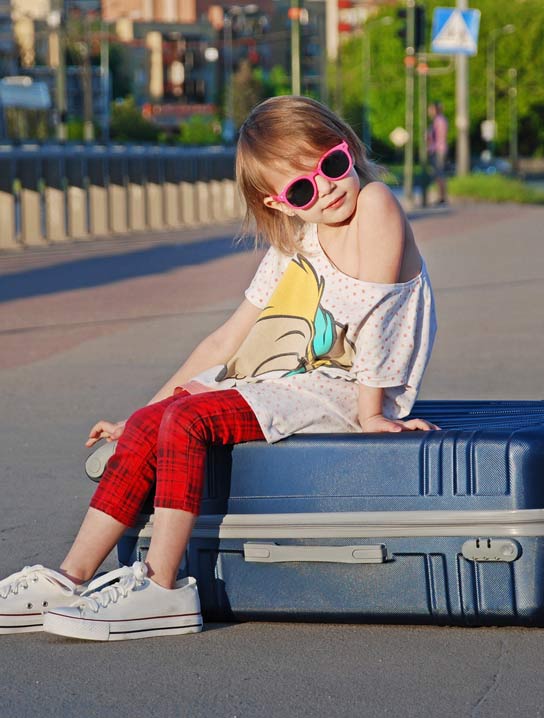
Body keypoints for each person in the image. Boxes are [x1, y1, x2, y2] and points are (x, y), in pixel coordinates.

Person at [0, 96, 437, 642]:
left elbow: (379, 314)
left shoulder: (375, 203)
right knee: (153, 422)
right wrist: (146, 408)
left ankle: (162, 586)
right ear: (279, 204)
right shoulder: (297, 240)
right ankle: (71, 577)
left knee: (187, 422)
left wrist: (372, 413)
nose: (324, 188)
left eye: (330, 164)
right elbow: (228, 338)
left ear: (346, 148)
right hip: (287, 380)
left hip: (348, 388)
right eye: (301, 188)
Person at [427, 101, 449, 205]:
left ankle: (442, 197)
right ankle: (441, 196)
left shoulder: (439, 121)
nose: (429, 111)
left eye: (431, 109)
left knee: (439, 173)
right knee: (438, 174)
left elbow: (437, 137)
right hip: (437, 149)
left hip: (438, 150)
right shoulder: (437, 120)